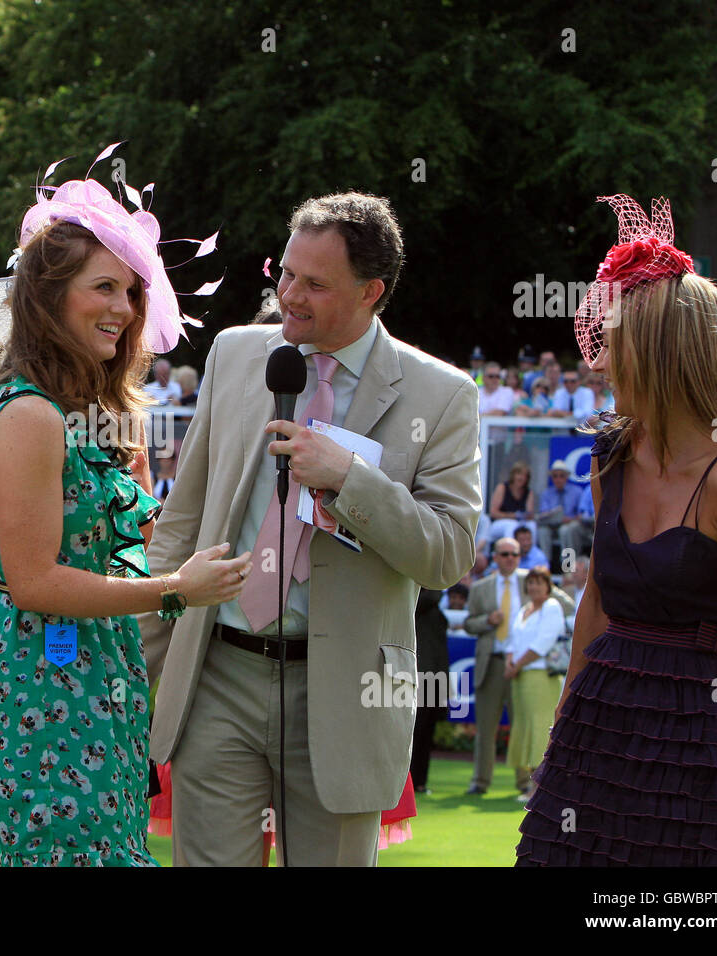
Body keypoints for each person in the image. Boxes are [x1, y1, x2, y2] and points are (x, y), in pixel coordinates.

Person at [140, 191, 482, 866]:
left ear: (371, 292)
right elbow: (181, 523)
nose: (290, 294)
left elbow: (449, 555)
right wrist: (140, 661)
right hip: (218, 673)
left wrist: (352, 480)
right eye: (286, 274)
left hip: (346, 694)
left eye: (315, 284)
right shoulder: (237, 354)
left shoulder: (442, 395)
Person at [0, 171, 249, 866]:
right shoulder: (29, 416)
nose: (125, 307)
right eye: (104, 287)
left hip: (97, 667)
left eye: (130, 289)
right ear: (48, 298)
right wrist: (178, 587)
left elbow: (119, 548)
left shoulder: (79, 416)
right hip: (41, 676)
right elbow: (33, 582)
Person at [517, 194, 717, 866]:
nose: (596, 365)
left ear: (661, 353)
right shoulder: (610, 455)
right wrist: (564, 721)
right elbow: (595, 599)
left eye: (613, 346)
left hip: (697, 745)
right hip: (595, 732)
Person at [464, 538, 574, 795]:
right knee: (487, 728)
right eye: (504, 554)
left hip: (529, 668)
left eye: (514, 554)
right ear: (495, 557)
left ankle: (527, 784)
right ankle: (481, 782)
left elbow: (565, 605)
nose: (510, 558)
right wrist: (487, 621)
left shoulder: (532, 580)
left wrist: (544, 593)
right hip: (495, 663)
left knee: (528, 726)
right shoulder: (481, 588)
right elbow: (469, 624)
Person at [502, 566, 565, 802]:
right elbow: (511, 640)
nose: (534, 587)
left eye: (539, 583)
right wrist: (511, 663)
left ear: (548, 586)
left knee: (540, 729)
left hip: (540, 676)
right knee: (527, 729)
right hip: (520, 677)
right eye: (531, 583)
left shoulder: (551, 607)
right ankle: (531, 785)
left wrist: (516, 665)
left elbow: (544, 642)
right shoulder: (524, 609)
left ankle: (540, 788)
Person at [410, 588, 449, 794]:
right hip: (424, 676)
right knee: (418, 733)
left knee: (422, 733)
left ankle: (417, 782)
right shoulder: (417, 607)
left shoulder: (421, 609)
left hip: (429, 677)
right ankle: (415, 782)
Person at [536, 459, 582, 561]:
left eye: (561, 476)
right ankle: (544, 566)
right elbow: (544, 514)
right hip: (551, 525)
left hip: (569, 525)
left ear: (566, 477)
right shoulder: (546, 493)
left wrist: (569, 519)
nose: (558, 479)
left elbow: (581, 515)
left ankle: (568, 566)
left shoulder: (576, 492)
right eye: (555, 476)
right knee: (542, 531)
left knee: (565, 530)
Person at [486, 461, 536, 543]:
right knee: (512, 525)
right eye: (519, 474)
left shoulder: (528, 492)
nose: (521, 478)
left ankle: (530, 554)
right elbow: (493, 513)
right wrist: (513, 516)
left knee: (532, 525)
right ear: (513, 475)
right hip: (498, 524)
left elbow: (530, 514)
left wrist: (527, 515)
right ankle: (510, 552)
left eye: (525, 475)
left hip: (520, 523)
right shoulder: (502, 487)